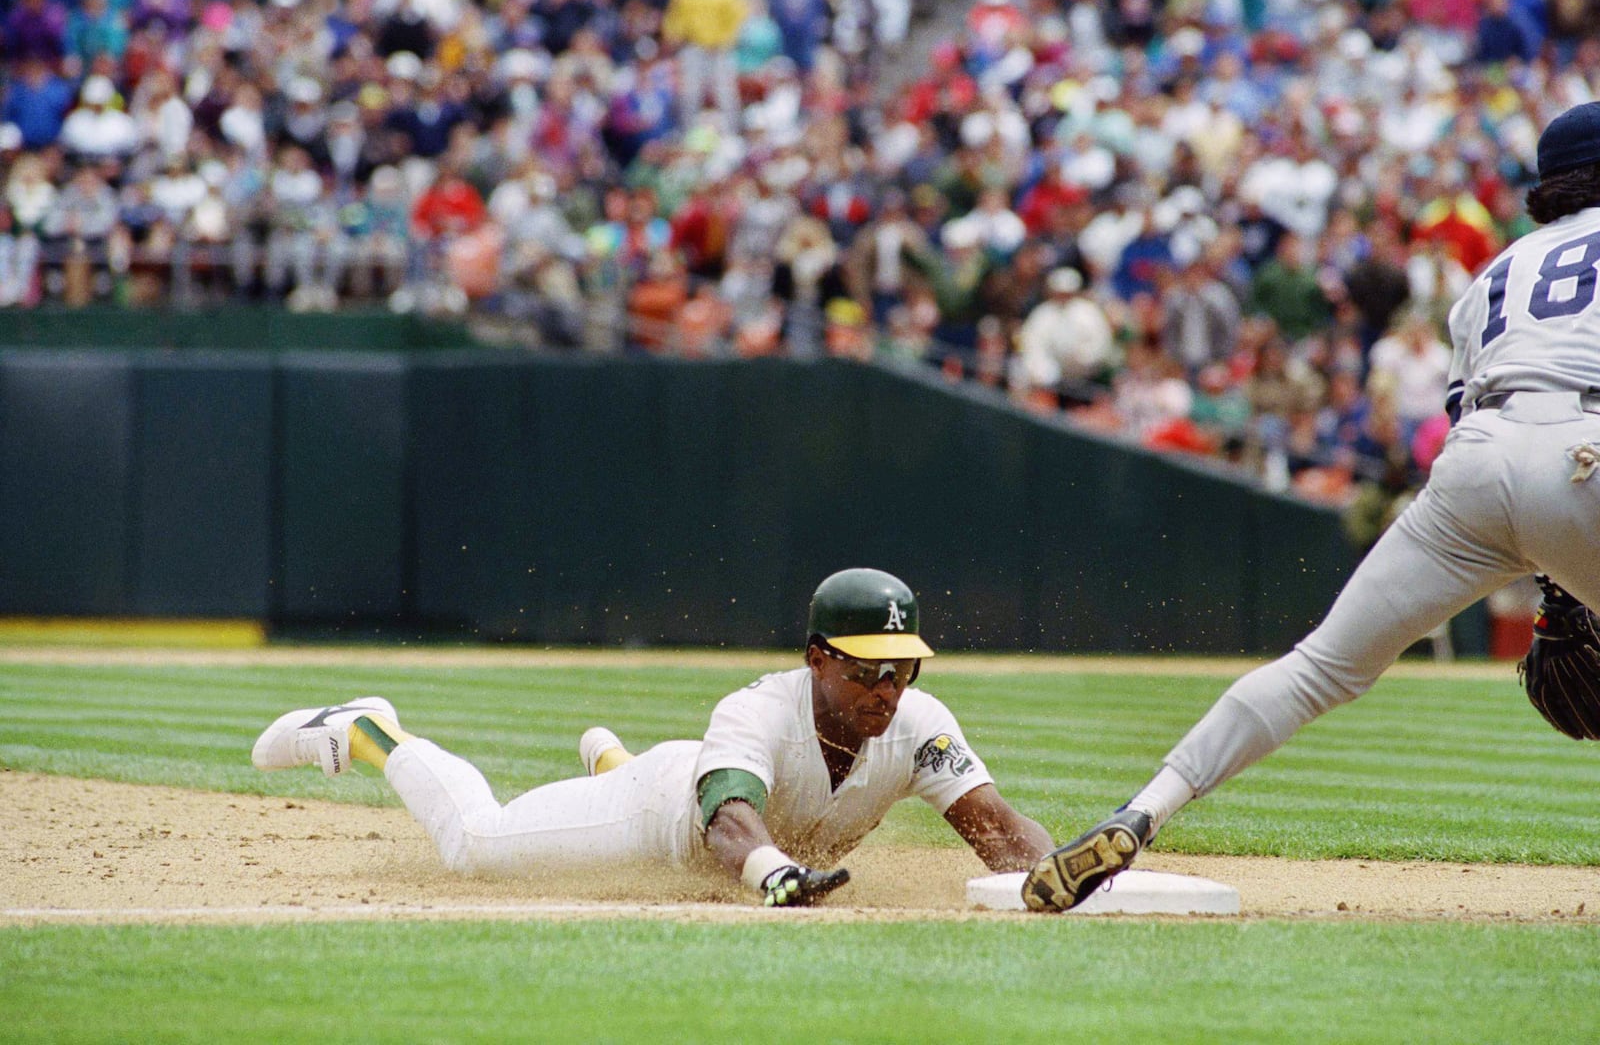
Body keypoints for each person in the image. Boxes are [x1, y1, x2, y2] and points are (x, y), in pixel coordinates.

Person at [1024, 100, 1600, 911]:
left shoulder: (1495, 272)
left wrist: (1553, 574)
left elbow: (1473, 417)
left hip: (1475, 463)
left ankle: (1142, 810)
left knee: (1318, 667)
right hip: (1586, 447)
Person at [253, 568, 1052, 906]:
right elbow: (730, 818)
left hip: (708, 803)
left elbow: (998, 830)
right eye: (867, 671)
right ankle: (370, 730)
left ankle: (609, 759)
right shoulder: (758, 711)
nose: (889, 688)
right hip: (658, 812)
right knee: (474, 845)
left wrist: (1066, 876)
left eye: (901, 669)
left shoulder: (921, 723)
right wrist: (776, 875)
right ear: (816, 659)